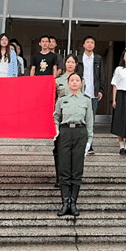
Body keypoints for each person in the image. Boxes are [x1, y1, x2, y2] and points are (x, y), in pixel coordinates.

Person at [53, 72, 93, 217]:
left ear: (81, 83)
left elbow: (89, 122)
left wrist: (89, 141)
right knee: (64, 168)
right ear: (68, 83)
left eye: (77, 80)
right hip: (65, 133)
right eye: (72, 80)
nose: (74, 82)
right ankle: (65, 203)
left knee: (76, 169)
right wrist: (56, 129)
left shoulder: (86, 100)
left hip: (80, 133)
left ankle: (73, 203)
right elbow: (56, 117)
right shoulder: (62, 100)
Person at [53, 55, 79, 188]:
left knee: (73, 151)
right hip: (61, 118)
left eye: (72, 62)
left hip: (75, 118)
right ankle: (60, 177)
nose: (70, 64)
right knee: (59, 149)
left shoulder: (80, 80)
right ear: (65, 64)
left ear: (76, 64)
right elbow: (53, 99)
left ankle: (71, 177)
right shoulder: (58, 80)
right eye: (68, 62)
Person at [77, 36, 104, 153]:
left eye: (92, 42)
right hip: (81, 94)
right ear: (83, 45)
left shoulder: (98, 58)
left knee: (91, 120)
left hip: (93, 94)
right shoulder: (78, 58)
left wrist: (101, 90)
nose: (90, 44)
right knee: (80, 118)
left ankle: (89, 144)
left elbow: (102, 75)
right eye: (87, 42)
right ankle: (80, 143)